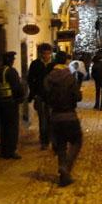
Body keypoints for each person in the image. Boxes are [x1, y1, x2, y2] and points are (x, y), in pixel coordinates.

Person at [44, 52, 83, 187]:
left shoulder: (48, 78)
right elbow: (77, 96)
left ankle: (63, 177)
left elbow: (46, 95)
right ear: (66, 61)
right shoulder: (69, 77)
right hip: (69, 115)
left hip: (55, 116)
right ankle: (66, 166)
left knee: (60, 145)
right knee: (76, 141)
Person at [0, 51, 25, 159]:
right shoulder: (10, 71)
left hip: (1, 102)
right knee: (12, 128)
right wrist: (21, 97)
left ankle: (4, 150)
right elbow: (17, 87)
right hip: (11, 103)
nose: (13, 61)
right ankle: (11, 151)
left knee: (4, 127)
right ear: (10, 60)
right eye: (12, 59)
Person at [27, 43, 54, 150]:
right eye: (45, 53)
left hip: (51, 97)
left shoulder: (53, 65)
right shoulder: (35, 64)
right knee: (42, 120)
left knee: (50, 119)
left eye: (48, 53)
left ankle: (50, 137)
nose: (47, 55)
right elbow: (30, 79)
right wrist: (34, 93)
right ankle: (44, 141)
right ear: (41, 54)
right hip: (40, 96)